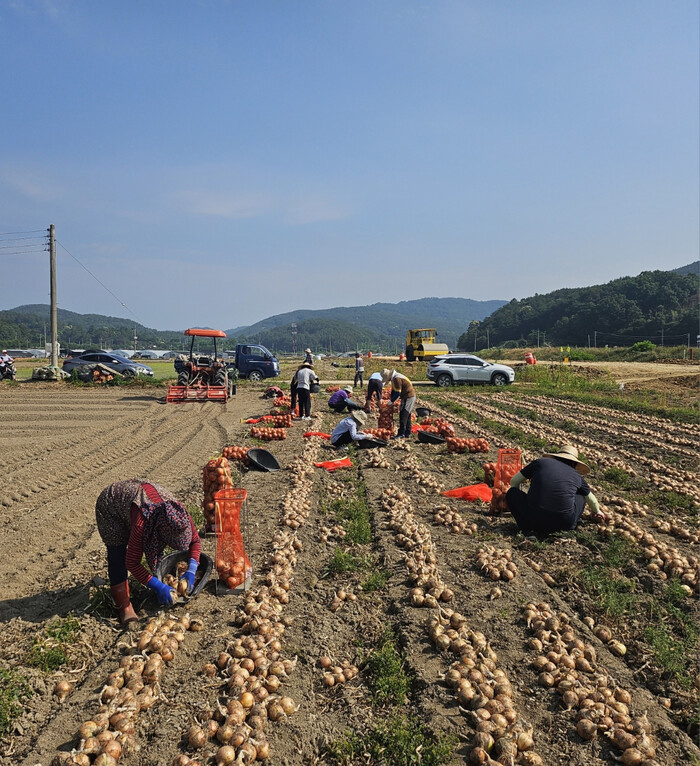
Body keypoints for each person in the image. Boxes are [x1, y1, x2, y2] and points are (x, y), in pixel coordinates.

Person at [95, 479, 201, 624]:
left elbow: (195, 541)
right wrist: (158, 586)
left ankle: (152, 581)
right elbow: (132, 563)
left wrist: (192, 570)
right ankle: (123, 606)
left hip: (136, 498)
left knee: (139, 547)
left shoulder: (180, 515)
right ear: (160, 532)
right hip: (111, 505)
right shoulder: (142, 524)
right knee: (117, 554)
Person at [505, 445, 606, 538]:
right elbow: (591, 499)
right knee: (581, 496)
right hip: (563, 524)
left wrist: (520, 505)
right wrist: (597, 511)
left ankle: (527, 531)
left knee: (512, 492)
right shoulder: (578, 476)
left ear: (555, 457)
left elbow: (514, 481)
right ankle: (567, 532)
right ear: (575, 464)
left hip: (533, 519)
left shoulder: (540, 463)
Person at [382, 368, 415, 439]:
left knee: (404, 414)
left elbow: (397, 393)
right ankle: (407, 433)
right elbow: (394, 391)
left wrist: (391, 401)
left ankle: (401, 433)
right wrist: (391, 399)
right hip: (406, 396)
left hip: (408, 396)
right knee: (407, 414)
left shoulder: (397, 379)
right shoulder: (395, 377)